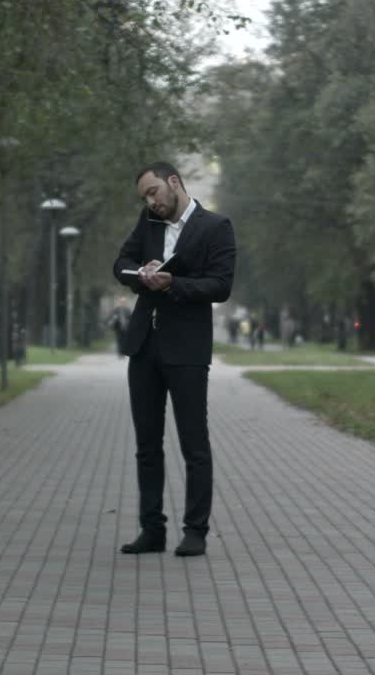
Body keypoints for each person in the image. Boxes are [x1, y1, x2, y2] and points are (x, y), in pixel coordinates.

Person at [112, 161, 237, 557]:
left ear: (174, 183)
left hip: (187, 349)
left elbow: (221, 286)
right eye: (144, 197)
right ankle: (153, 530)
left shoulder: (216, 227)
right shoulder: (147, 222)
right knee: (147, 445)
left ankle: (195, 530)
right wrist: (140, 274)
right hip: (144, 345)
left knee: (193, 444)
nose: (150, 202)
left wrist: (174, 283)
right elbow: (121, 264)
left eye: (153, 192)